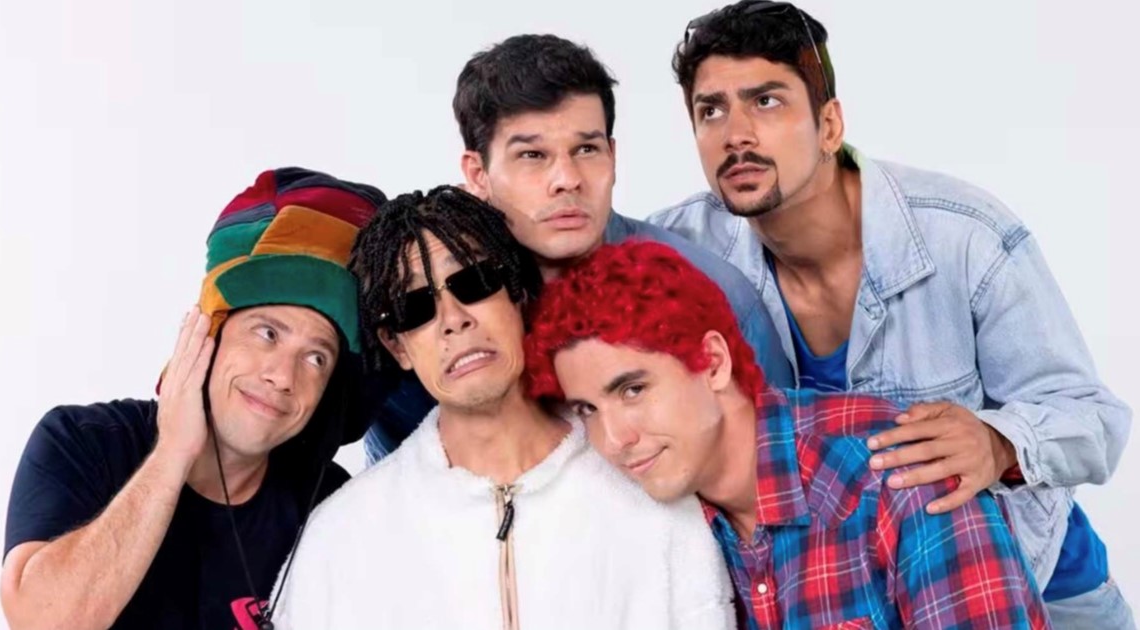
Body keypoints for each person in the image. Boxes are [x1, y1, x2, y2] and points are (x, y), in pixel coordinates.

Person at [647, 2, 1133, 625]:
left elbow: (1093, 418)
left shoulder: (964, 236)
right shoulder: (682, 251)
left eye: (766, 101)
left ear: (828, 125)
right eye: (710, 110)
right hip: (847, 600)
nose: (735, 133)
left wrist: (997, 442)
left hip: (1034, 583)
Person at [270, 187, 735, 630]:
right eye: (415, 306)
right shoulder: (341, 540)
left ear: (517, 292)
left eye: (474, 281)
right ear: (397, 346)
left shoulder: (651, 498)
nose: (453, 320)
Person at [525, 240, 1050, 629]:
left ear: (713, 363)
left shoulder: (898, 473)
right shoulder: (663, 526)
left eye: (633, 390)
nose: (614, 438)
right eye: (588, 409)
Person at [363, 33, 794, 463]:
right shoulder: (435, 324)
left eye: (586, 149)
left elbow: (784, 463)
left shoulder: (712, 293)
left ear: (612, 156)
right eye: (532, 156)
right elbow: (398, 484)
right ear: (478, 174)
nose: (567, 179)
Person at [1, 167, 384, 630]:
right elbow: (43, 622)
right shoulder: (83, 441)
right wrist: (173, 453)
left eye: (316, 357)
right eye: (267, 333)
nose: (284, 376)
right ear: (205, 335)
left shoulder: (326, 504)